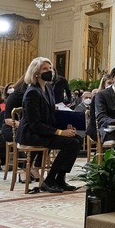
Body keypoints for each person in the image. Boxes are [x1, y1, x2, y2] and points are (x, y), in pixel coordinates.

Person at [17, 57, 81, 193]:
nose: (50, 71)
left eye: (50, 68)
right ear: (36, 73)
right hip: (32, 134)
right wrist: (59, 132)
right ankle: (49, 180)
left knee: (77, 140)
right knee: (71, 143)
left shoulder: (48, 88)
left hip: (43, 131)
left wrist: (65, 128)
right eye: (45, 69)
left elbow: (51, 114)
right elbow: (35, 124)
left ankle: (60, 179)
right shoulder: (32, 93)